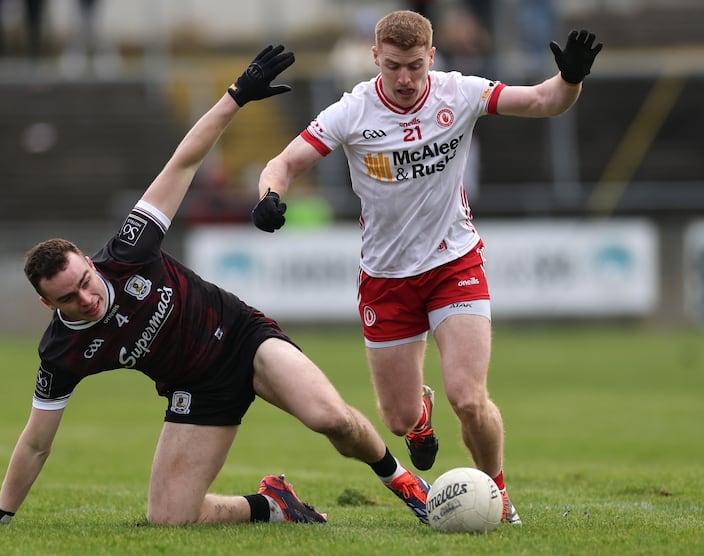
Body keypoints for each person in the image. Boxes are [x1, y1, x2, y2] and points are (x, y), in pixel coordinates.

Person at [0, 45, 432, 528]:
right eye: (68, 298)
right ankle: (272, 505)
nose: (85, 298)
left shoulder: (130, 249)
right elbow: (37, 441)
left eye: (84, 281)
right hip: (195, 391)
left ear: (88, 261)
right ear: (47, 303)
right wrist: (0, 517)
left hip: (243, 339)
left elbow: (183, 162)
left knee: (330, 419)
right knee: (169, 517)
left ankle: (402, 481)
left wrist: (237, 95)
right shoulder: (61, 351)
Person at [252, 10, 604, 526]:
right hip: (386, 280)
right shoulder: (351, 112)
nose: (404, 79)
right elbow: (281, 164)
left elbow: (546, 101)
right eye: (393, 66)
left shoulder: (459, 93)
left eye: (415, 66)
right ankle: (420, 421)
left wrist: (570, 78)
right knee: (396, 419)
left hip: (453, 263)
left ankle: (499, 497)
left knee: (469, 396)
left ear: (431, 58)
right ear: (375, 58)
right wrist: (269, 197)